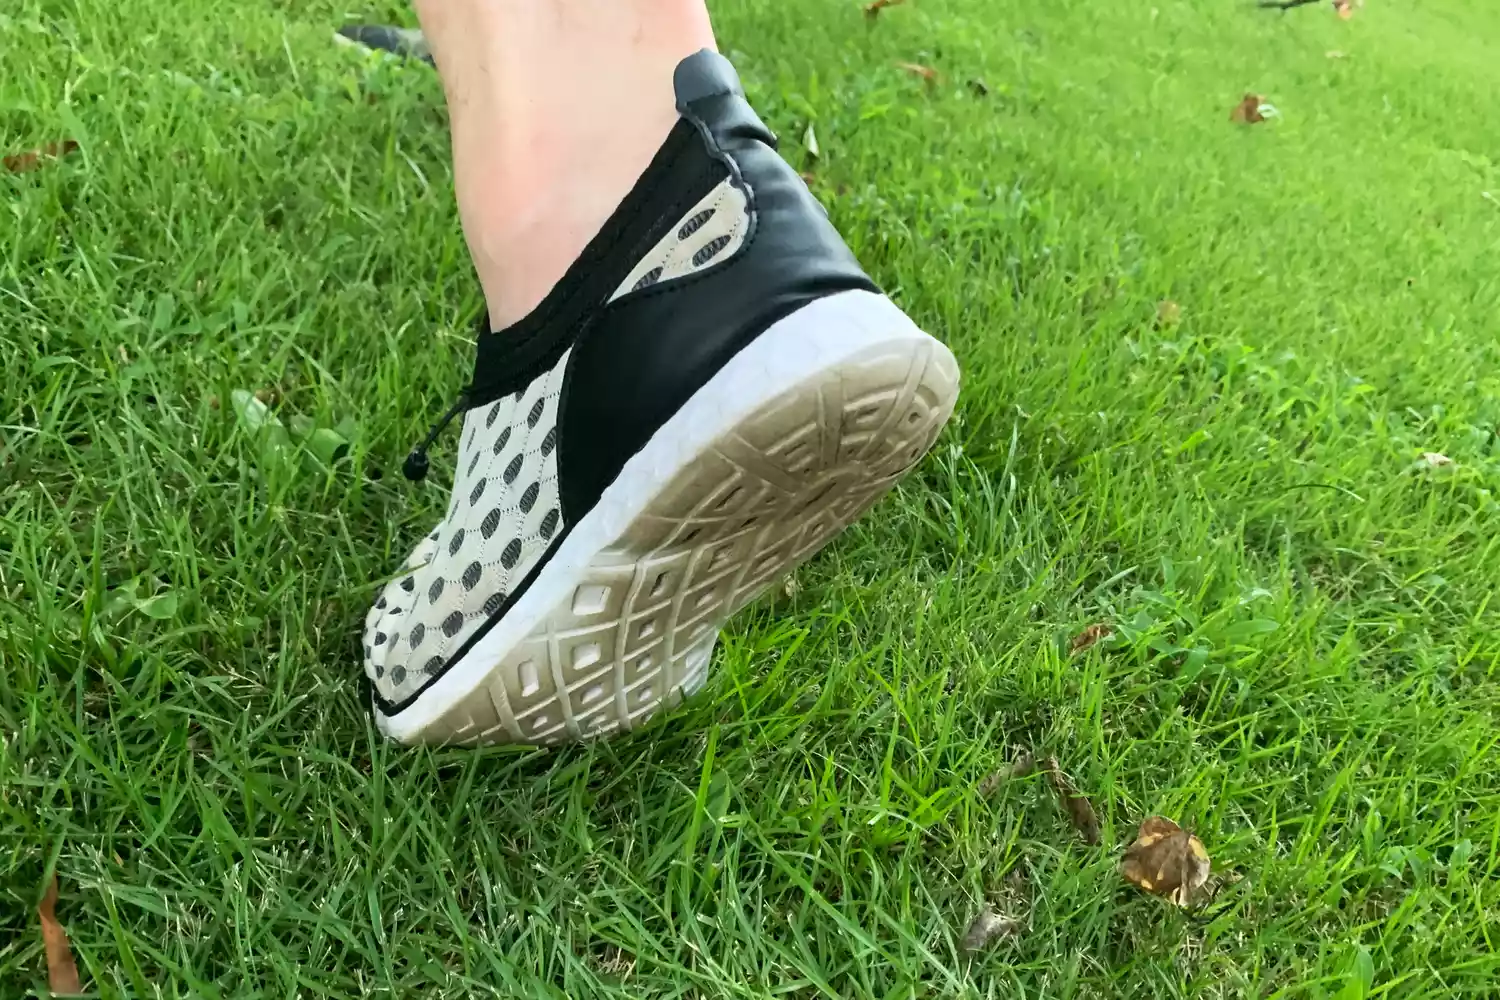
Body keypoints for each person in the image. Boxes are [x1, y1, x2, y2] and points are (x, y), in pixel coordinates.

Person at [362, 0, 960, 745]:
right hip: (721, 187)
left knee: (549, 81)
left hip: (618, 236)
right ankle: (703, 168)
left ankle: (580, 200)